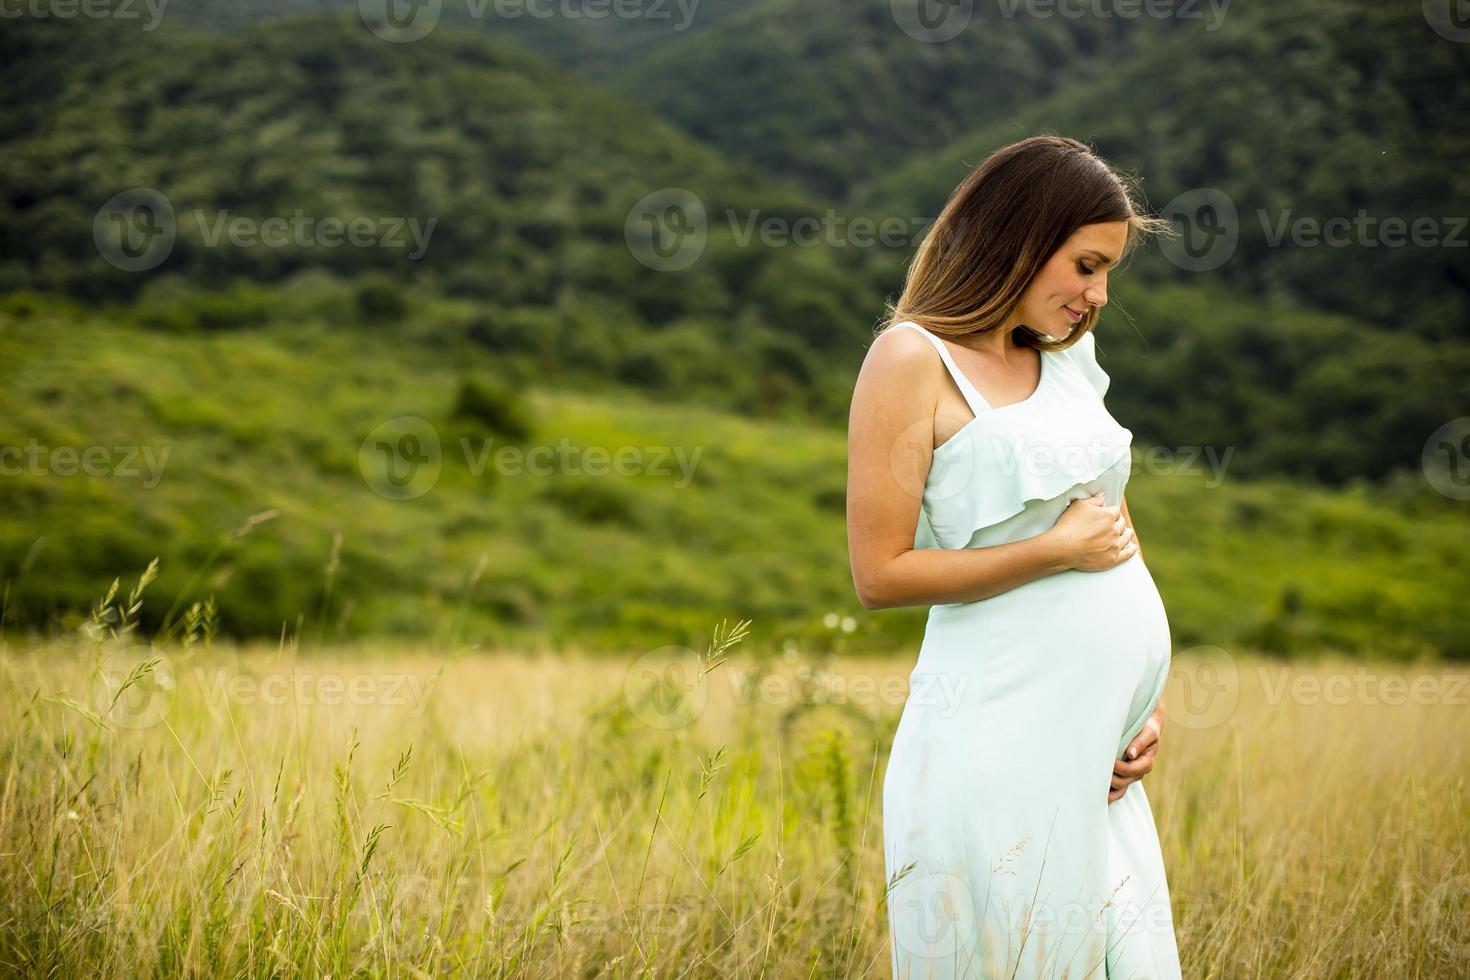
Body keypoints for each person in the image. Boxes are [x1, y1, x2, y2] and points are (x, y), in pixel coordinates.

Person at [846, 135, 1182, 978]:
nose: (1098, 295)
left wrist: (1147, 706)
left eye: (1108, 272)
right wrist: (1049, 551)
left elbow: (1114, 541)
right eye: (1086, 265)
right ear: (1021, 240)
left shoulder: (1069, 364)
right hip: (994, 741)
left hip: (1095, 755)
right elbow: (880, 573)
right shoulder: (910, 359)